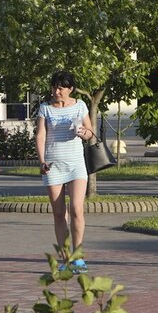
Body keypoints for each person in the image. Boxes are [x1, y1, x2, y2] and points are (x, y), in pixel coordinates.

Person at [35, 70, 94, 272]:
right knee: (59, 213)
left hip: (76, 164)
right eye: (54, 87)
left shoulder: (80, 105)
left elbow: (90, 132)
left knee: (77, 209)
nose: (56, 91)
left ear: (70, 89)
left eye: (61, 87)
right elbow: (41, 135)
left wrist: (84, 132)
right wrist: (42, 160)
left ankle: (78, 256)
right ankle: (66, 258)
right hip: (53, 166)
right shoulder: (45, 108)